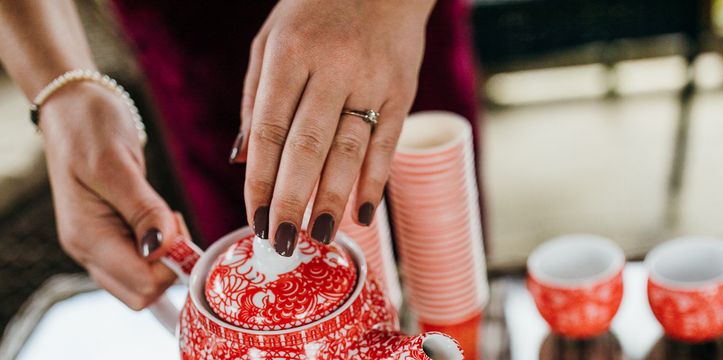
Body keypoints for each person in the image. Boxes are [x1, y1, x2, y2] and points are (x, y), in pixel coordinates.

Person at [0, 0, 477, 311]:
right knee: (268, 297)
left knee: (444, 268)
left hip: (387, 26)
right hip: (200, 55)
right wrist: (64, 91)